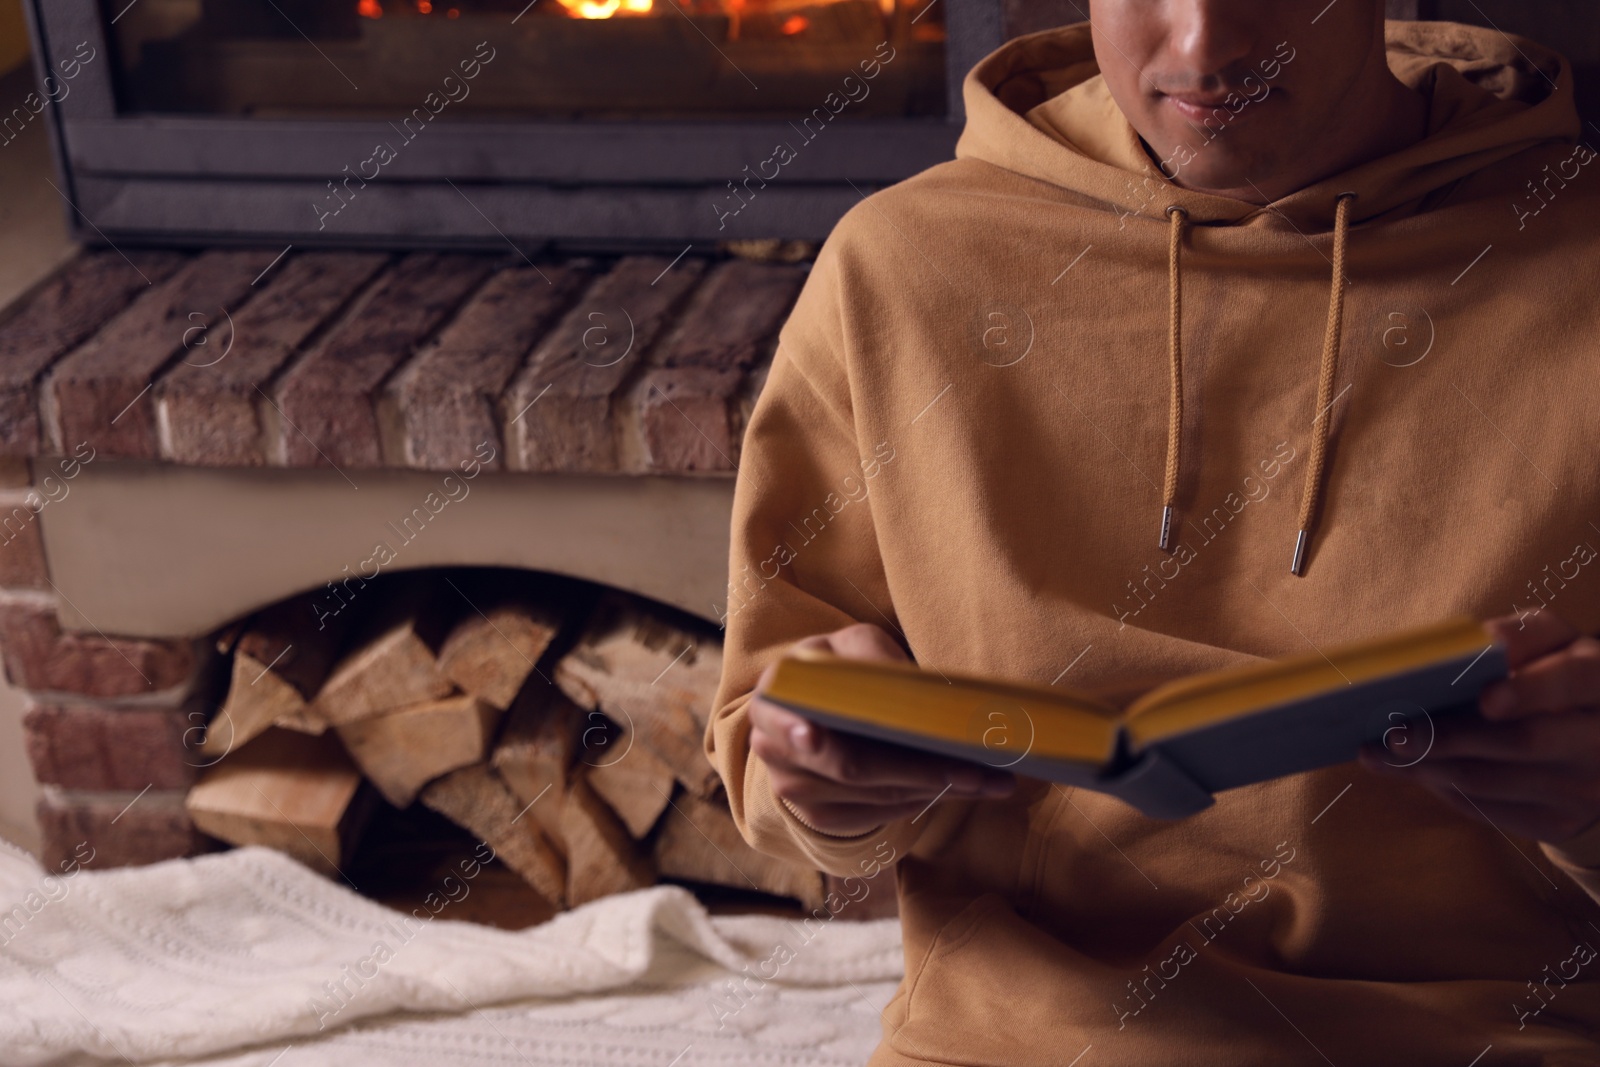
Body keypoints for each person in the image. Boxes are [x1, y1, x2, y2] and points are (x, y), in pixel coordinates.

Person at [706, 2, 1600, 1064]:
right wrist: (819, 776)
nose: (1202, 49)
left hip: (1487, 1033)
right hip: (1019, 1039)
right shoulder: (898, 265)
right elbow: (773, 759)